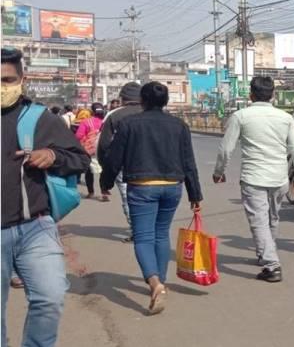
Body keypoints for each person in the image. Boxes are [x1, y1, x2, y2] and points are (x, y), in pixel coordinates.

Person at [2, 47, 91, 347]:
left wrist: (53, 157)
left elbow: (82, 160)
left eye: (6, 80)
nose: (1, 87)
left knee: (51, 296)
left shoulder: (38, 118)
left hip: (34, 226)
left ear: (21, 81)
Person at [100, 82, 202, 315]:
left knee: (144, 237)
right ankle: (161, 282)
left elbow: (114, 158)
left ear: (143, 101)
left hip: (142, 187)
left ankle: (155, 284)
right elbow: (189, 162)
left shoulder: (129, 124)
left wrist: (105, 183)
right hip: (172, 187)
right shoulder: (179, 125)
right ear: (165, 101)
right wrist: (195, 194)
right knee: (161, 233)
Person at [214, 76, 294, 282]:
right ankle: (266, 253)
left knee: (259, 221)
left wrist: (219, 172)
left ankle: (271, 265)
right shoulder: (285, 118)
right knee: (271, 218)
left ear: (251, 95)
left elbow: (226, 148)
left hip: (254, 178)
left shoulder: (241, 116)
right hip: (279, 178)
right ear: (273, 95)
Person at [98, 82, 143, 241]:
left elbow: (103, 145)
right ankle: (148, 230)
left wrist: (106, 170)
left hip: (122, 166)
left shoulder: (114, 115)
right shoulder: (152, 112)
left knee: (128, 198)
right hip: (151, 165)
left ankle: (136, 231)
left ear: (122, 99)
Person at [74, 103, 107, 201]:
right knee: (104, 172)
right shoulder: (106, 121)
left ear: (92, 111)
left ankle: (91, 192)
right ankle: (104, 193)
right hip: (103, 149)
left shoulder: (86, 121)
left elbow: (79, 136)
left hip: (89, 150)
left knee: (89, 172)